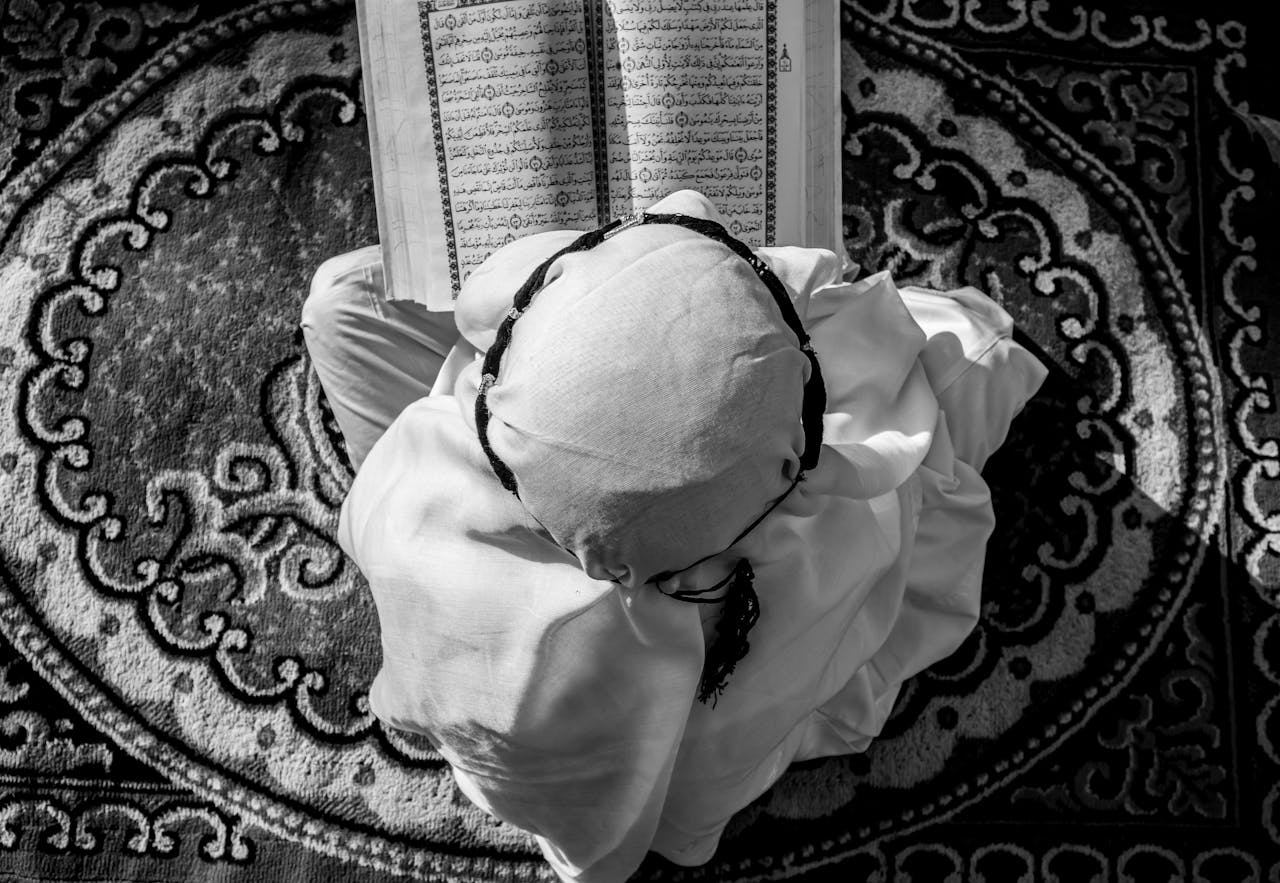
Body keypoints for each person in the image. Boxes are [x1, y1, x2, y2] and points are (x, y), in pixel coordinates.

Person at [301, 190, 1047, 882]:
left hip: (500, 618)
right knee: (966, 348)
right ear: (794, 463)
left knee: (342, 300)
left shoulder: (419, 482)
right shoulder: (825, 539)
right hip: (685, 687)